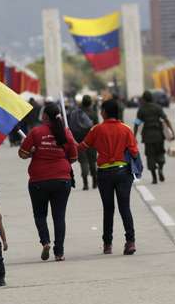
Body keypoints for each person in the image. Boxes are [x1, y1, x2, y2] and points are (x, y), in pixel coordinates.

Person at [19, 102, 78, 261]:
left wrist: (33, 153)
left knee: (40, 214)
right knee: (59, 217)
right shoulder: (66, 133)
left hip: (38, 180)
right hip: (62, 180)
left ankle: (45, 242)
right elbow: (73, 157)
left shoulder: (36, 132)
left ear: (44, 116)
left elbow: (22, 153)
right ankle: (59, 252)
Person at [79, 99, 139, 255]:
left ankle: (107, 244)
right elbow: (134, 152)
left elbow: (82, 147)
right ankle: (130, 241)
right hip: (123, 172)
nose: (100, 112)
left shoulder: (96, 130)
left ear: (105, 112)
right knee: (124, 207)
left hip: (105, 174)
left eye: (101, 110)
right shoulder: (126, 129)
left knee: (108, 209)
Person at [134, 90, 174, 184]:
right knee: (160, 153)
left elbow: (137, 124)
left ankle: (154, 177)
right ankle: (160, 169)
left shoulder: (141, 109)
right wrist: (171, 132)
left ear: (143, 99)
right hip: (158, 135)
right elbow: (166, 119)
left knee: (150, 156)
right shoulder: (157, 107)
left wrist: (134, 136)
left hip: (148, 137)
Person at [69, 95, 99, 190]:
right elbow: (97, 128)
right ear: (90, 103)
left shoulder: (75, 113)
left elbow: (71, 127)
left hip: (79, 142)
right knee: (93, 162)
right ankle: (95, 182)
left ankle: (85, 184)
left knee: (83, 162)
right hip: (92, 142)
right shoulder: (93, 114)